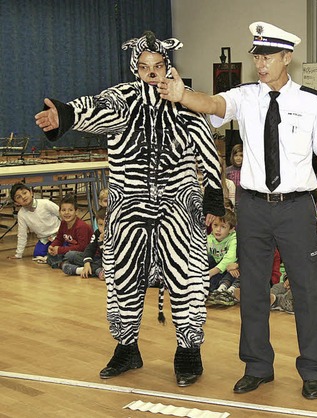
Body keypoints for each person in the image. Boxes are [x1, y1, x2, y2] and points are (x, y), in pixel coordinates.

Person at [159, 21, 317, 399]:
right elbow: (212, 104)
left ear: (286, 57)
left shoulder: (310, 100)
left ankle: (312, 370)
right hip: (254, 207)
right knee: (253, 289)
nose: (261, 64)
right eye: (257, 56)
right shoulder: (246, 96)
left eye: (268, 56)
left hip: (296, 207)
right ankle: (258, 366)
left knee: (308, 292)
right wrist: (182, 94)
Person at [35, 31, 225, 387]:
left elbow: (207, 151)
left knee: (188, 279)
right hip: (129, 205)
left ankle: (188, 352)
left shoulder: (186, 102)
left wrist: (213, 196)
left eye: (157, 66)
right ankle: (126, 347)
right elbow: (94, 109)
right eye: (143, 67)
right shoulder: (122, 99)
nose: (151, 73)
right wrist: (65, 114)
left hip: (179, 206)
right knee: (122, 278)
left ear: (168, 66)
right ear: (135, 68)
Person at [8, 182, 60, 262]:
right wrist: (18, 254)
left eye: (24, 193)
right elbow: (22, 234)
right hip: (44, 239)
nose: (23, 197)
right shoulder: (21, 214)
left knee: (63, 248)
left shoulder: (45, 203)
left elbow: (62, 215)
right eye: (19, 197)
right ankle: (52, 255)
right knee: (38, 253)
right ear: (16, 202)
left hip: (59, 234)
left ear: (31, 192)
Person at [47, 194, 93, 270]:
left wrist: (60, 250)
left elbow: (82, 247)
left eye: (70, 210)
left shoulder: (81, 226)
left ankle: (71, 267)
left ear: (76, 212)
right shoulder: (63, 223)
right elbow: (59, 239)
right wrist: (52, 246)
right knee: (50, 254)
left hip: (87, 254)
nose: (67, 213)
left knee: (70, 255)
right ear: (59, 212)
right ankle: (63, 264)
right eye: (63, 210)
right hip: (72, 250)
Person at [60, 207, 106, 279]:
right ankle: (93, 270)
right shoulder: (97, 233)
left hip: (108, 262)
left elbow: (109, 256)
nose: (103, 228)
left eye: (107, 225)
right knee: (70, 255)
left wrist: (102, 242)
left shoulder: (117, 234)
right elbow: (90, 248)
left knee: (101, 263)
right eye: (100, 225)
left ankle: (78, 270)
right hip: (97, 259)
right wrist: (87, 263)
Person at [206, 210, 240, 306]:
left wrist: (208, 274)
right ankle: (215, 292)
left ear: (231, 229)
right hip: (217, 271)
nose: (218, 230)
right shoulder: (208, 239)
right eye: (215, 225)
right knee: (206, 258)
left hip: (231, 270)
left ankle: (228, 292)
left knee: (234, 270)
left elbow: (229, 259)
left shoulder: (234, 239)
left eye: (223, 227)